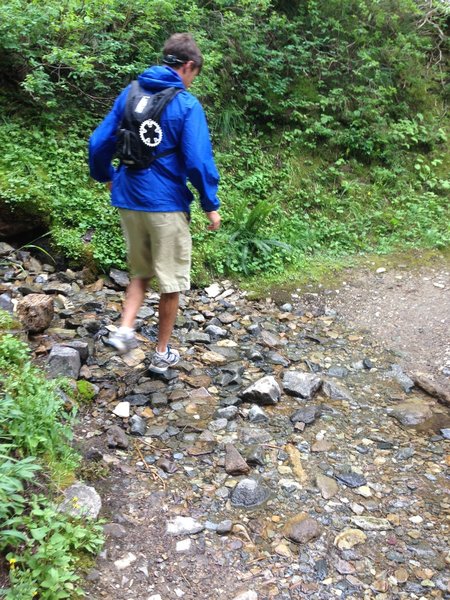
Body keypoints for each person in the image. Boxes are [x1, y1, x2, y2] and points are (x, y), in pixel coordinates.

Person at [89, 33, 220, 372]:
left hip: (128, 198)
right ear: (188, 66)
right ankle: (161, 352)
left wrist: (106, 174)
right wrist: (210, 203)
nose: (192, 82)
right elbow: (197, 161)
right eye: (194, 75)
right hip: (165, 205)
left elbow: (99, 141)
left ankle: (124, 329)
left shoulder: (130, 93)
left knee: (140, 272)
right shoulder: (186, 104)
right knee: (171, 281)